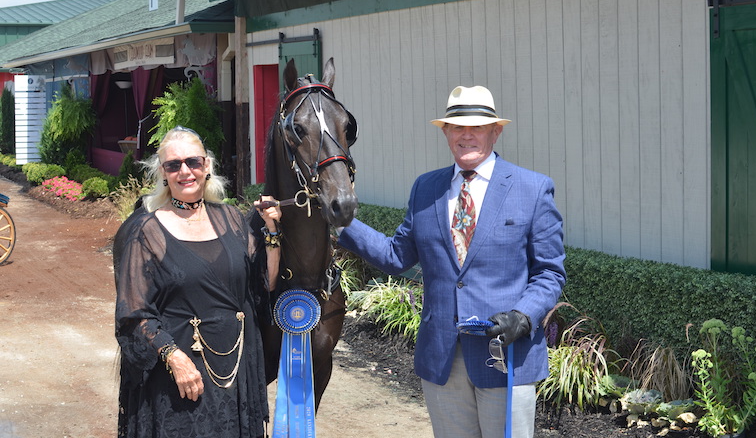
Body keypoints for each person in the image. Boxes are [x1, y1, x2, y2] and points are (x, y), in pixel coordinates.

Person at [337, 86, 566, 438]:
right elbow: (397, 256)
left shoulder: (532, 189)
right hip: (442, 358)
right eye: (457, 127)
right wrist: (339, 222)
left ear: (496, 131)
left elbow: (549, 272)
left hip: (506, 358)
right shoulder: (426, 188)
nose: (467, 135)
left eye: (477, 127)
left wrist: (523, 316)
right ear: (445, 132)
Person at [113, 126, 282, 438]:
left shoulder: (232, 218)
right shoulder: (147, 232)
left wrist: (271, 232)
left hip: (234, 372)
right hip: (179, 381)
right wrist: (174, 357)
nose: (185, 171)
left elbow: (262, 286)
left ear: (207, 167)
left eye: (193, 161)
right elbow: (133, 314)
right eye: (173, 165)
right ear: (163, 174)